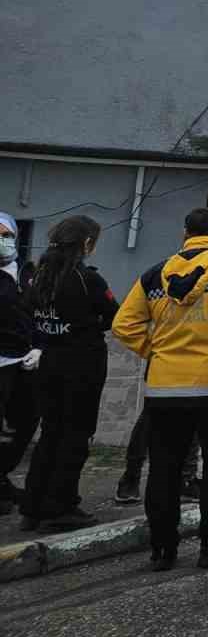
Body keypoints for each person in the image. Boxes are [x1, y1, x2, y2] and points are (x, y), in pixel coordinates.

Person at [113, 207, 208, 571]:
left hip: (165, 389)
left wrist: (156, 351)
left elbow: (124, 324)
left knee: (163, 468)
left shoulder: (154, 275)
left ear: (185, 234)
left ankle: (162, 550)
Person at [20, 216, 118, 532]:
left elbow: (30, 316)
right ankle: (60, 505)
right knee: (75, 436)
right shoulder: (87, 280)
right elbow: (113, 316)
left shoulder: (38, 276)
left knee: (50, 433)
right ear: (86, 244)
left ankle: (33, 505)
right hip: (82, 365)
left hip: (48, 362)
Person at [0, 211, 37, 517]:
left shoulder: (27, 272)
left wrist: (38, 346)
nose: (2, 242)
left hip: (24, 360)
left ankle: (2, 475)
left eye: (6, 235)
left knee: (23, 423)